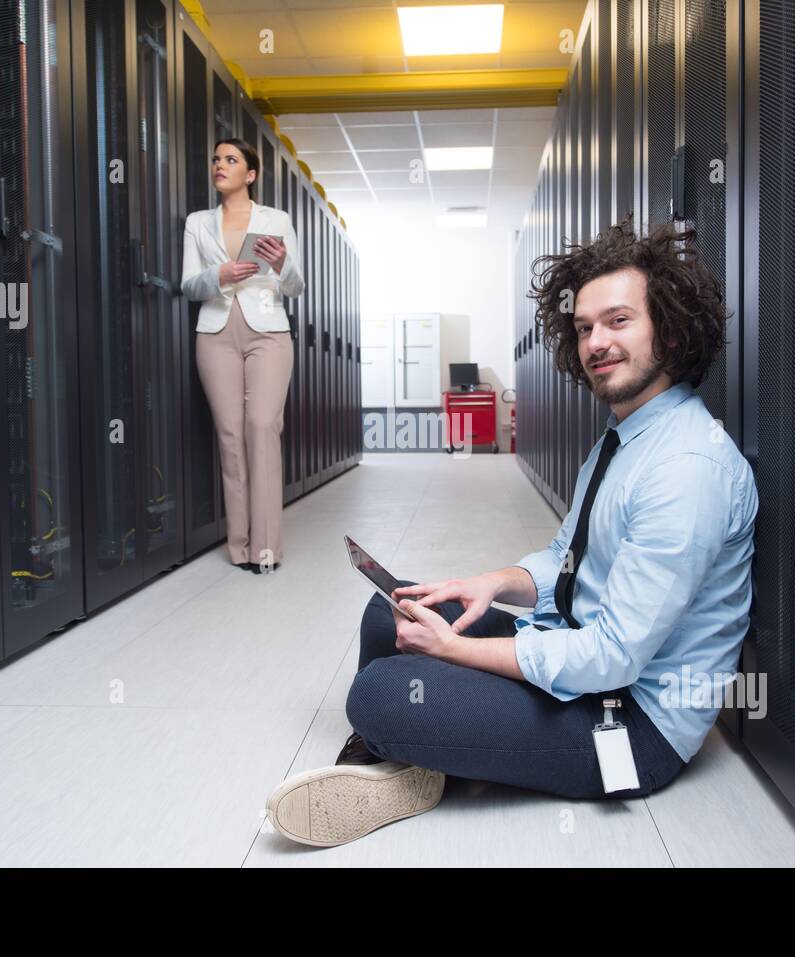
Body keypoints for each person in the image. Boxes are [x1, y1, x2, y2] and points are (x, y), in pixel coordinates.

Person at [264, 218, 758, 847]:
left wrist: (456, 652)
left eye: (618, 321)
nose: (596, 342)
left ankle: (395, 747)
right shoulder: (628, 436)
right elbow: (567, 558)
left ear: (668, 323)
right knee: (391, 611)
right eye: (583, 329)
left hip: (630, 724)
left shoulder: (686, 469)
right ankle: (407, 755)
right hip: (581, 653)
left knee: (381, 690)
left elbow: (612, 658)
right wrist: (486, 584)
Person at [181, 139, 304, 574]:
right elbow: (188, 285)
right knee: (230, 436)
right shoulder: (198, 223)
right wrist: (219, 275)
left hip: (267, 330)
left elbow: (295, 286)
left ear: (249, 174)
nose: (220, 165)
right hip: (215, 332)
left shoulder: (277, 219)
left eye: (231, 160)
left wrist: (284, 262)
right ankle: (241, 546)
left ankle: (266, 547)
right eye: (216, 159)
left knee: (261, 426)